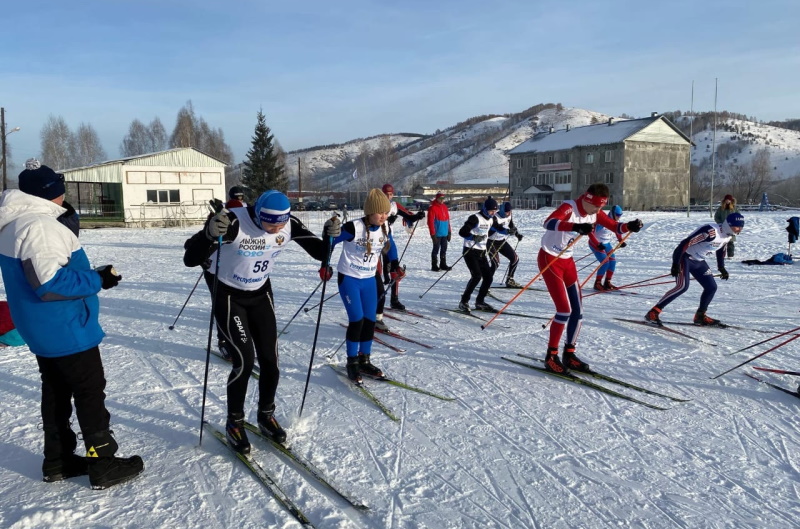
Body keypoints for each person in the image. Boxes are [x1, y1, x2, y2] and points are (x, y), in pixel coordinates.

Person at [0, 160, 143, 489]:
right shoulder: (39, 226)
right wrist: (97, 279)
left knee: (57, 391)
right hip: (65, 328)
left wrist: (89, 274)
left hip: (42, 328)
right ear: (53, 193)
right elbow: (49, 283)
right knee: (89, 393)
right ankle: (102, 462)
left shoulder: (14, 220)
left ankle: (58, 459)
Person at [183, 190, 330, 454]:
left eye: (281, 223)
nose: (276, 228)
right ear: (257, 214)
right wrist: (208, 233)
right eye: (270, 223)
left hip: (260, 294)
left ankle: (265, 414)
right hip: (228, 294)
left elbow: (320, 252)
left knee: (271, 361)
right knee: (244, 360)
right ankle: (235, 422)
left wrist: (332, 235)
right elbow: (190, 258)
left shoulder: (289, 223)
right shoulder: (234, 221)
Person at [539, 183, 642, 374]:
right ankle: (550, 356)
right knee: (564, 310)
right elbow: (548, 222)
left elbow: (615, 226)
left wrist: (630, 226)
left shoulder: (595, 212)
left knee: (577, 310)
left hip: (567, 261)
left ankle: (569, 354)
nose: (598, 210)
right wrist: (575, 226)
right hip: (549, 258)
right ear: (587, 200)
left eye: (601, 206)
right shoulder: (569, 207)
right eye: (596, 206)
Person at [323, 188, 396, 383]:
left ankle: (365, 359)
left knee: (370, 320)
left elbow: (391, 246)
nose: (383, 216)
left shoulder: (384, 227)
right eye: (380, 212)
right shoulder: (353, 227)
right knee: (357, 320)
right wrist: (325, 263)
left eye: (386, 212)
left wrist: (395, 265)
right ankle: (352, 361)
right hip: (350, 278)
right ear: (369, 212)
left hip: (369, 279)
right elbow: (330, 241)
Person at [645, 212, 745, 328]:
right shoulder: (710, 232)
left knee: (711, 287)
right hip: (685, 258)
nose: (739, 230)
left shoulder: (728, 235)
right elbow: (684, 243)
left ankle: (700, 316)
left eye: (741, 227)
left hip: (699, 261)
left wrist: (721, 267)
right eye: (737, 226)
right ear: (728, 224)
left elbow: (721, 249)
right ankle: (653, 312)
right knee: (682, 287)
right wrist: (676, 263)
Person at [379, 183, 424, 312]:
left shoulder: (394, 205)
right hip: (375, 240)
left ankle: (394, 300)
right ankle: (373, 301)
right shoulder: (376, 204)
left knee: (396, 270)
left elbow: (408, 216)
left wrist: (417, 216)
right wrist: (386, 220)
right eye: (386, 194)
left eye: (390, 194)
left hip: (389, 239)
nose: (388, 196)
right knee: (375, 273)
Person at [458, 197, 500, 312]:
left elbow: (497, 228)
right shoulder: (475, 218)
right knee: (476, 276)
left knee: (488, 277)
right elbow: (462, 232)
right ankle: (464, 301)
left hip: (482, 252)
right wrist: (473, 237)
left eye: (495, 211)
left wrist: (510, 231)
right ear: (485, 209)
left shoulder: (492, 219)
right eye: (491, 211)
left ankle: (480, 301)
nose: (493, 213)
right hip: (470, 251)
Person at [588, 205, 626, 291]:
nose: (618, 217)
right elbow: (591, 234)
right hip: (596, 243)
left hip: (606, 243)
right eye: (617, 215)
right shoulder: (602, 221)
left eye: (620, 215)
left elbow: (617, 229)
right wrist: (597, 244)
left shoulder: (615, 221)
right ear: (612, 213)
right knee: (605, 262)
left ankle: (607, 282)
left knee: (612, 262)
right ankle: (597, 283)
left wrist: (620, 240)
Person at [488, 201, 524, 288]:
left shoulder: (509, 215)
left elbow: (511, 225)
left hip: (501, 241)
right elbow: (498, 228)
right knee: (495, 263)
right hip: (490, 241)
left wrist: (517, 234)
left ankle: (510, 280)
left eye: (509, 211)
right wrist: (507, 231)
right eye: (506, 212)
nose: (508, 213)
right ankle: (486, 283)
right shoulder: (494, 217)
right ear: (502, 210)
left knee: (515, 259)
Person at [427, 191, 452, 272]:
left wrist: (449, 232)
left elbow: (448, 220)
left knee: (444, 249)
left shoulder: (445, 207)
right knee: (436, 249)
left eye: (443, 198)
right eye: (440, 198)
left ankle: (443, 264)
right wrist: (432, 234)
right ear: (437, 198)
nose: (442, 200)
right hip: (437, 234)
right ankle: (434, 265)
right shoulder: (432, 208)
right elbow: (430, 222)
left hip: (444, 233)